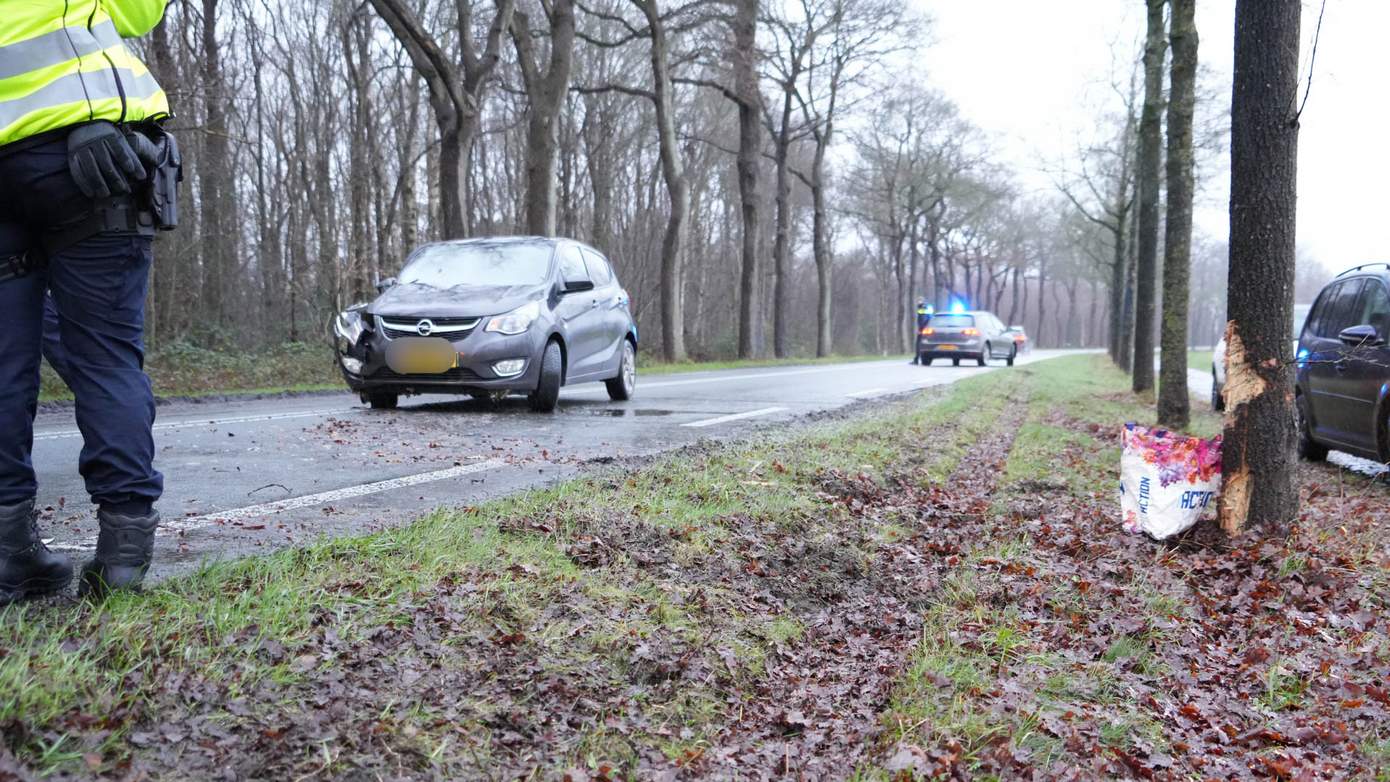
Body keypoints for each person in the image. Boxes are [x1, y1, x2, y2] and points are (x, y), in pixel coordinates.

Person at [0, 1, 180, 604]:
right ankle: (122, 557)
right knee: (105, 356)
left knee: (2, 365)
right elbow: (137, 11)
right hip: (83, 152)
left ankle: (10, 553)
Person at [910, 299, 933, 364]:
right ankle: (920, 358)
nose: (918, 303)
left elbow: (923, 320)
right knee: (923, 344)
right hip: (927, 329)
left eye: (919, 301)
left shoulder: (922, 310)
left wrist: (920, 330)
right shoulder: (927, 309)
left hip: (923, 330)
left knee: (919, 344)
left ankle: (917, 359)